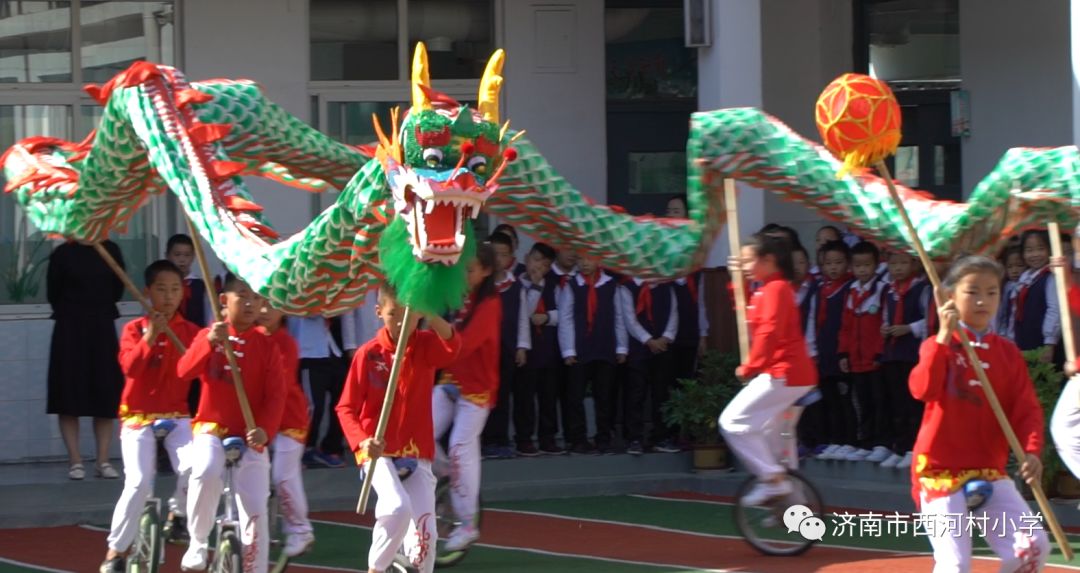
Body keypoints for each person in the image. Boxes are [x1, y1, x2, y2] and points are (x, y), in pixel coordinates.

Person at [910, 256, 1048, 572]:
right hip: (938, 472)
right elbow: (921, 389)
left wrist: (1031, 451)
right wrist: (944, 338)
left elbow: (1026, 409)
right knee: (955, 564)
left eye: (992, 292)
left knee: (1033, 547)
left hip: (988, 469)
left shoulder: (1007, 353)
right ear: (948, 298)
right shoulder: (937, 345)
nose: (983, 301)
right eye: (972, 292)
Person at [337, 282, 459, 573]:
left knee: (426, 540)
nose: (402, 320)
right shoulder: (367, 355)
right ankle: (376, 568)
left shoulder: (427, 346)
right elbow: (345, 408)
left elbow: (454, 347)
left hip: (416, 452)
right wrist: (363, 442)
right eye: (394, 314)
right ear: (379, 312)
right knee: (395, 508)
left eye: (409, 313)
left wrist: (430, 313)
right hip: (377, 453)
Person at [177, 274, 287, 571]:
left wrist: (264, 430)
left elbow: (276, 396)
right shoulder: (209, 336)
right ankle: (198, 543)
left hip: (252, 434)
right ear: (223, 301)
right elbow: (184, 371)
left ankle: (256, 567)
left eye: (256, 296)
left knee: (255, 510)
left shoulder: (267, 346)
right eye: (242, 295)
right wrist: (208, 343)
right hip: (210, 428)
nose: (251, 303)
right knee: (206, 470)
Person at [99, 260, 200, 573]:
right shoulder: (133, 329)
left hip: (178, 415)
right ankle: (116, 552)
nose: (169, 296)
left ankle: (177, 516)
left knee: (195, 468)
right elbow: (129, 368)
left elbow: (202, 373)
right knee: (139, 482)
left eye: (175, 290)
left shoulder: (192, 332)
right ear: (147, 293)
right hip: (138, 417)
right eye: (161, 289)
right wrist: (150, 336)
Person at [720, 233, 817, 505]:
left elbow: (769, 331)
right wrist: (736, 279)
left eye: (749, 260)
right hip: (785, 374)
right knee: (774, 442)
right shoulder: (766, 289)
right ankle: (794, 507)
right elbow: (746, 313)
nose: (745, 265)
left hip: (785, 373)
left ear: (769, 260)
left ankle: (773, 479)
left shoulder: (776, 289)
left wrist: (751, 365)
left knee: (733, 423)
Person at [434, 243, 502, 551]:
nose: (464, 273)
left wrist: (434, 326)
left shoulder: (490, 305)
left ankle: (467, 522)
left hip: (476, 389)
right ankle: (449, 476)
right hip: (451, 380)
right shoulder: (461, 294)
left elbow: (466, 343)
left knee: (460, 448)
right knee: (418, 430)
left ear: (486, 271)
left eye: (471, 269)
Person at [46, 239, 126, 481]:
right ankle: (75, 461)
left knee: (104, 394)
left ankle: (102, 460)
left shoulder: (110, 249)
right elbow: (53, 291)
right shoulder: (63, 253)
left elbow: (117, 287)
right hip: (69, 328)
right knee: (68, 393)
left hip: (102, 325)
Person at [259, 301, 315, 558]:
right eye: (259, 303)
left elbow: (275, 382)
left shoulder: (286, 343)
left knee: (283, 475)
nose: (264, 310)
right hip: (255, 421)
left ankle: (299, 529)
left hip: (289, 420)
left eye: (272, 305)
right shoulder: (244, 338)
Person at [558, 256, 628, 455]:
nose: (584, 263)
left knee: (604, 396)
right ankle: (578, 439)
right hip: (580, 348)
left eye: (589, 259)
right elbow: (566, 318)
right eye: (581, 259)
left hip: (605, 346)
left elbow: (619, 317)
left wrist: (621, 347)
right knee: (575, 396)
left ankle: (604, 437)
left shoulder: (611, 285)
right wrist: (568, 350)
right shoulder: (572, 286)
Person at [877, 250, 931, 469]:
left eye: (903, 262)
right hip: (893, 352)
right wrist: (885, 328)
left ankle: (914, 447)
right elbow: (885, 316)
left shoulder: (922, 288)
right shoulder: (889, 290)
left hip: (912, 351)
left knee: (913, 403)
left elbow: (928, 319)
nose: (898, 268)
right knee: (897, 402)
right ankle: (899, 446)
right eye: (894, 263)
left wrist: (908, 328)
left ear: (914, 264)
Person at [837, 242, 888, 462]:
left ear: (876, 265)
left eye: (867, 265)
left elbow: (883, 324)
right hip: (856, 359)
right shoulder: (851, 291)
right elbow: (846, 326)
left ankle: (882, 442)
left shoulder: (882, 289)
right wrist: (843, 354)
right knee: (863, 402)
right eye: (858, 265)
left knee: (880, 402)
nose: (862, 270)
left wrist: (879, 353)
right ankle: (866, 443)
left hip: (874, 358)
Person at [618, 275, 677, 455]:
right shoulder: (627, 286)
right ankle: (634, 438)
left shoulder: (666, 285)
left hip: (663, 347)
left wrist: (666, 337)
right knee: (637, 392)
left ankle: (660, 436)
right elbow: (629, 319)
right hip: (639, 347)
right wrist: (648, 340)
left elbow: (674, 313)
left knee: (662, 392)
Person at [807, 240, 856, 458]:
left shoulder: (850, 288)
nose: (833, 268)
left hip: (842, 353)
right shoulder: (820, 290)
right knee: (828, 399)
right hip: (824, 352)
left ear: (848, 264)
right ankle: (832, 440)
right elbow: (812, 321)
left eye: (838, 262)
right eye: (828, 263)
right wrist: (813, 350)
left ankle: (849, 440)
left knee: (846, 399)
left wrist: (845, 351)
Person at [513, 242, 562, 455]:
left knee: (548, 395)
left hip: (547, 348)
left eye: (544, 264)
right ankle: (524, 438)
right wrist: (534, 286)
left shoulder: (554, 285)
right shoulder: (517, 284)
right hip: (525, 350)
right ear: (526, 258)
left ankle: (547, 437)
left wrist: (548, 317)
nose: (538, 267)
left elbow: (565, 313)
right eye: (535, 260)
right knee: (525, 397)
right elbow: (524, 313)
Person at [289, 314, 348, 468]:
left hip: (331, 348)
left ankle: (331, 447)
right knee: (314, 406)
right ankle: (306, 449)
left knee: (343, 402)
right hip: (307, 352)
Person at [482, 233, 520, 459]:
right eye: (494, 254)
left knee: (502, 396)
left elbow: (523, 318)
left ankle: (500, 439)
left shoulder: (515, 284)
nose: (498, 259)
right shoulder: (479, 286)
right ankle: (484, 441)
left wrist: (522, 346)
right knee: (480, 399)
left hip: (505, 349)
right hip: (482, 351)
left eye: (503, 254)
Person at [166, 234, 212, 417]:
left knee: (193, 386)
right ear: (168, 255)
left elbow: (209, 314)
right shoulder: (161, 284)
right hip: (169, 343)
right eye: (177, 255)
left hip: (193, 343)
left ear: (193, 257)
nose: (182, 260)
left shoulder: (200, 285)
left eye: (186, 255)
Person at [995, 243, 1024, 340]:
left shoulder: (1027, 285)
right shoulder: (1006, 287)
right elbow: (1002, 313)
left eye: (1019, 265)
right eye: (1010, 267)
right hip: (1006, 334)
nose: (1014, 270)